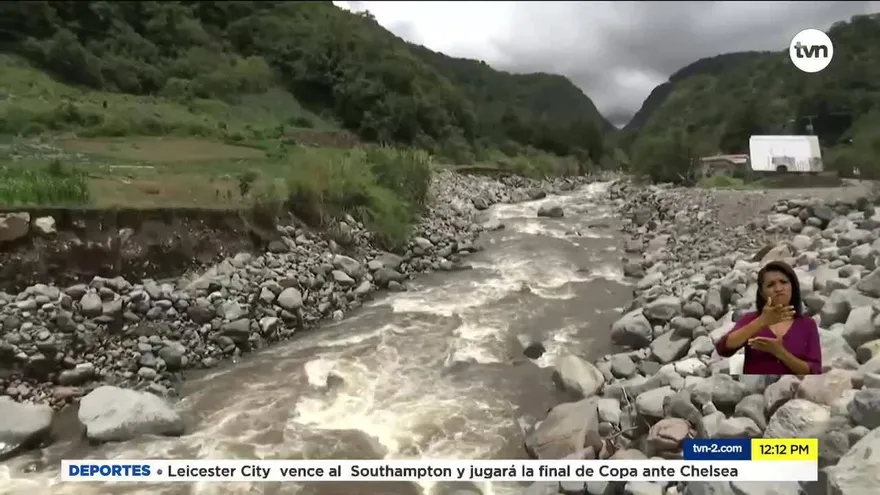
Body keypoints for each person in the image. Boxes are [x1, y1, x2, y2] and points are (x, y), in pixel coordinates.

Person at [715, 260, 822, 375]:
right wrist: (761, 321)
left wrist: (780, 353)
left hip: (795, 390)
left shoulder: (807, 324)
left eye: (784, 282)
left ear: (793, 286)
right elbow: (723, 348)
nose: (778, 288)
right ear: (762, 292)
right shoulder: (752, 319)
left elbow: (814, 371)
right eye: (771, 285)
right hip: (756, 391)